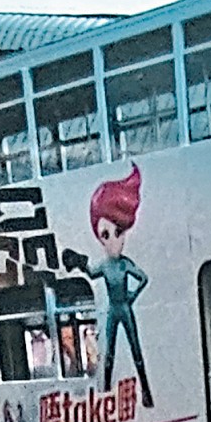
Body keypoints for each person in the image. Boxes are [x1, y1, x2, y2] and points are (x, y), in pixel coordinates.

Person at [62, 164, 153, 404]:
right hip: (115, 309)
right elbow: (92, 273)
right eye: (105, 235)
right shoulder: (106, 265)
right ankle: (106, 391)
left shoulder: (124, 264)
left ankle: (146, 391)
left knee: (136, 350)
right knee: (109, 351)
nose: (113, 241)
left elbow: (143, 278)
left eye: (118, 232)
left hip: (123, 307)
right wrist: (80, 263)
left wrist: (132, 296)